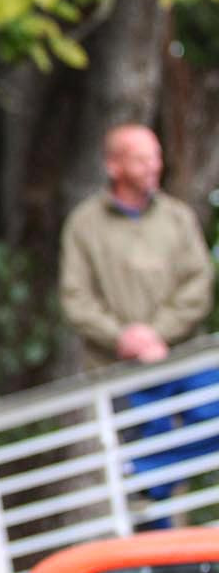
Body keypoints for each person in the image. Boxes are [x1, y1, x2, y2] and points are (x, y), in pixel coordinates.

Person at [59, 124, 219, 526]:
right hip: (123, 372)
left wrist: (157, 333)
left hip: (181, 357)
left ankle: (152, 478)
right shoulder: (84, 225)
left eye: (156, 156)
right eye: (141, 158)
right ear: (114, 166)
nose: (154, 166)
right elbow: (76, 299)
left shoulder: (177, 217)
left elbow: (199, 283)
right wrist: (123, 337)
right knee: (149, 497)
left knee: (205, 425)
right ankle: (152, 496)